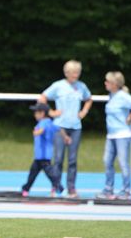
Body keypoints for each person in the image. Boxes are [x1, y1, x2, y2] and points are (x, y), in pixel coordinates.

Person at [39, 60, 93, 198]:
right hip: (59, 127)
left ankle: (71, 188)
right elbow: (42, 97)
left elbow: (89, 99)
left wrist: (84, 112)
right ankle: (56, 186)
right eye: (73, 72)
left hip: (75, 127)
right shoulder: (58, 86)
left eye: (78, 72)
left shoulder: (81, 86)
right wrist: (50, 113)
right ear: (66, 73)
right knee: (57, 159)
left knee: (72, 160)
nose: (76, 75)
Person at [96, 72, 131, 200]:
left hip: (122, 134)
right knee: (107, 161)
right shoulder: (111, 95)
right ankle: (108, 189)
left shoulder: (123, 96)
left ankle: (126, 191)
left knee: (123, 163)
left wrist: (130, 118)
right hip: (111, 135)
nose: (105, 83)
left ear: (115, 84)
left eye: (107, 81)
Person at [22, 103, 70, 197]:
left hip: (43, 157)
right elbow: (59, 129)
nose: (35, 115)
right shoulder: (50, 123)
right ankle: (26, 189)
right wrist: (65, 137)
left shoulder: (44, 123)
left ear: (42, 113)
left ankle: (61, 189)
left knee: (50, 175)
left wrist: (37, 132)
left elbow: (42, 129)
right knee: (33, 174)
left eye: (36, 112)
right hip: (40, 156)